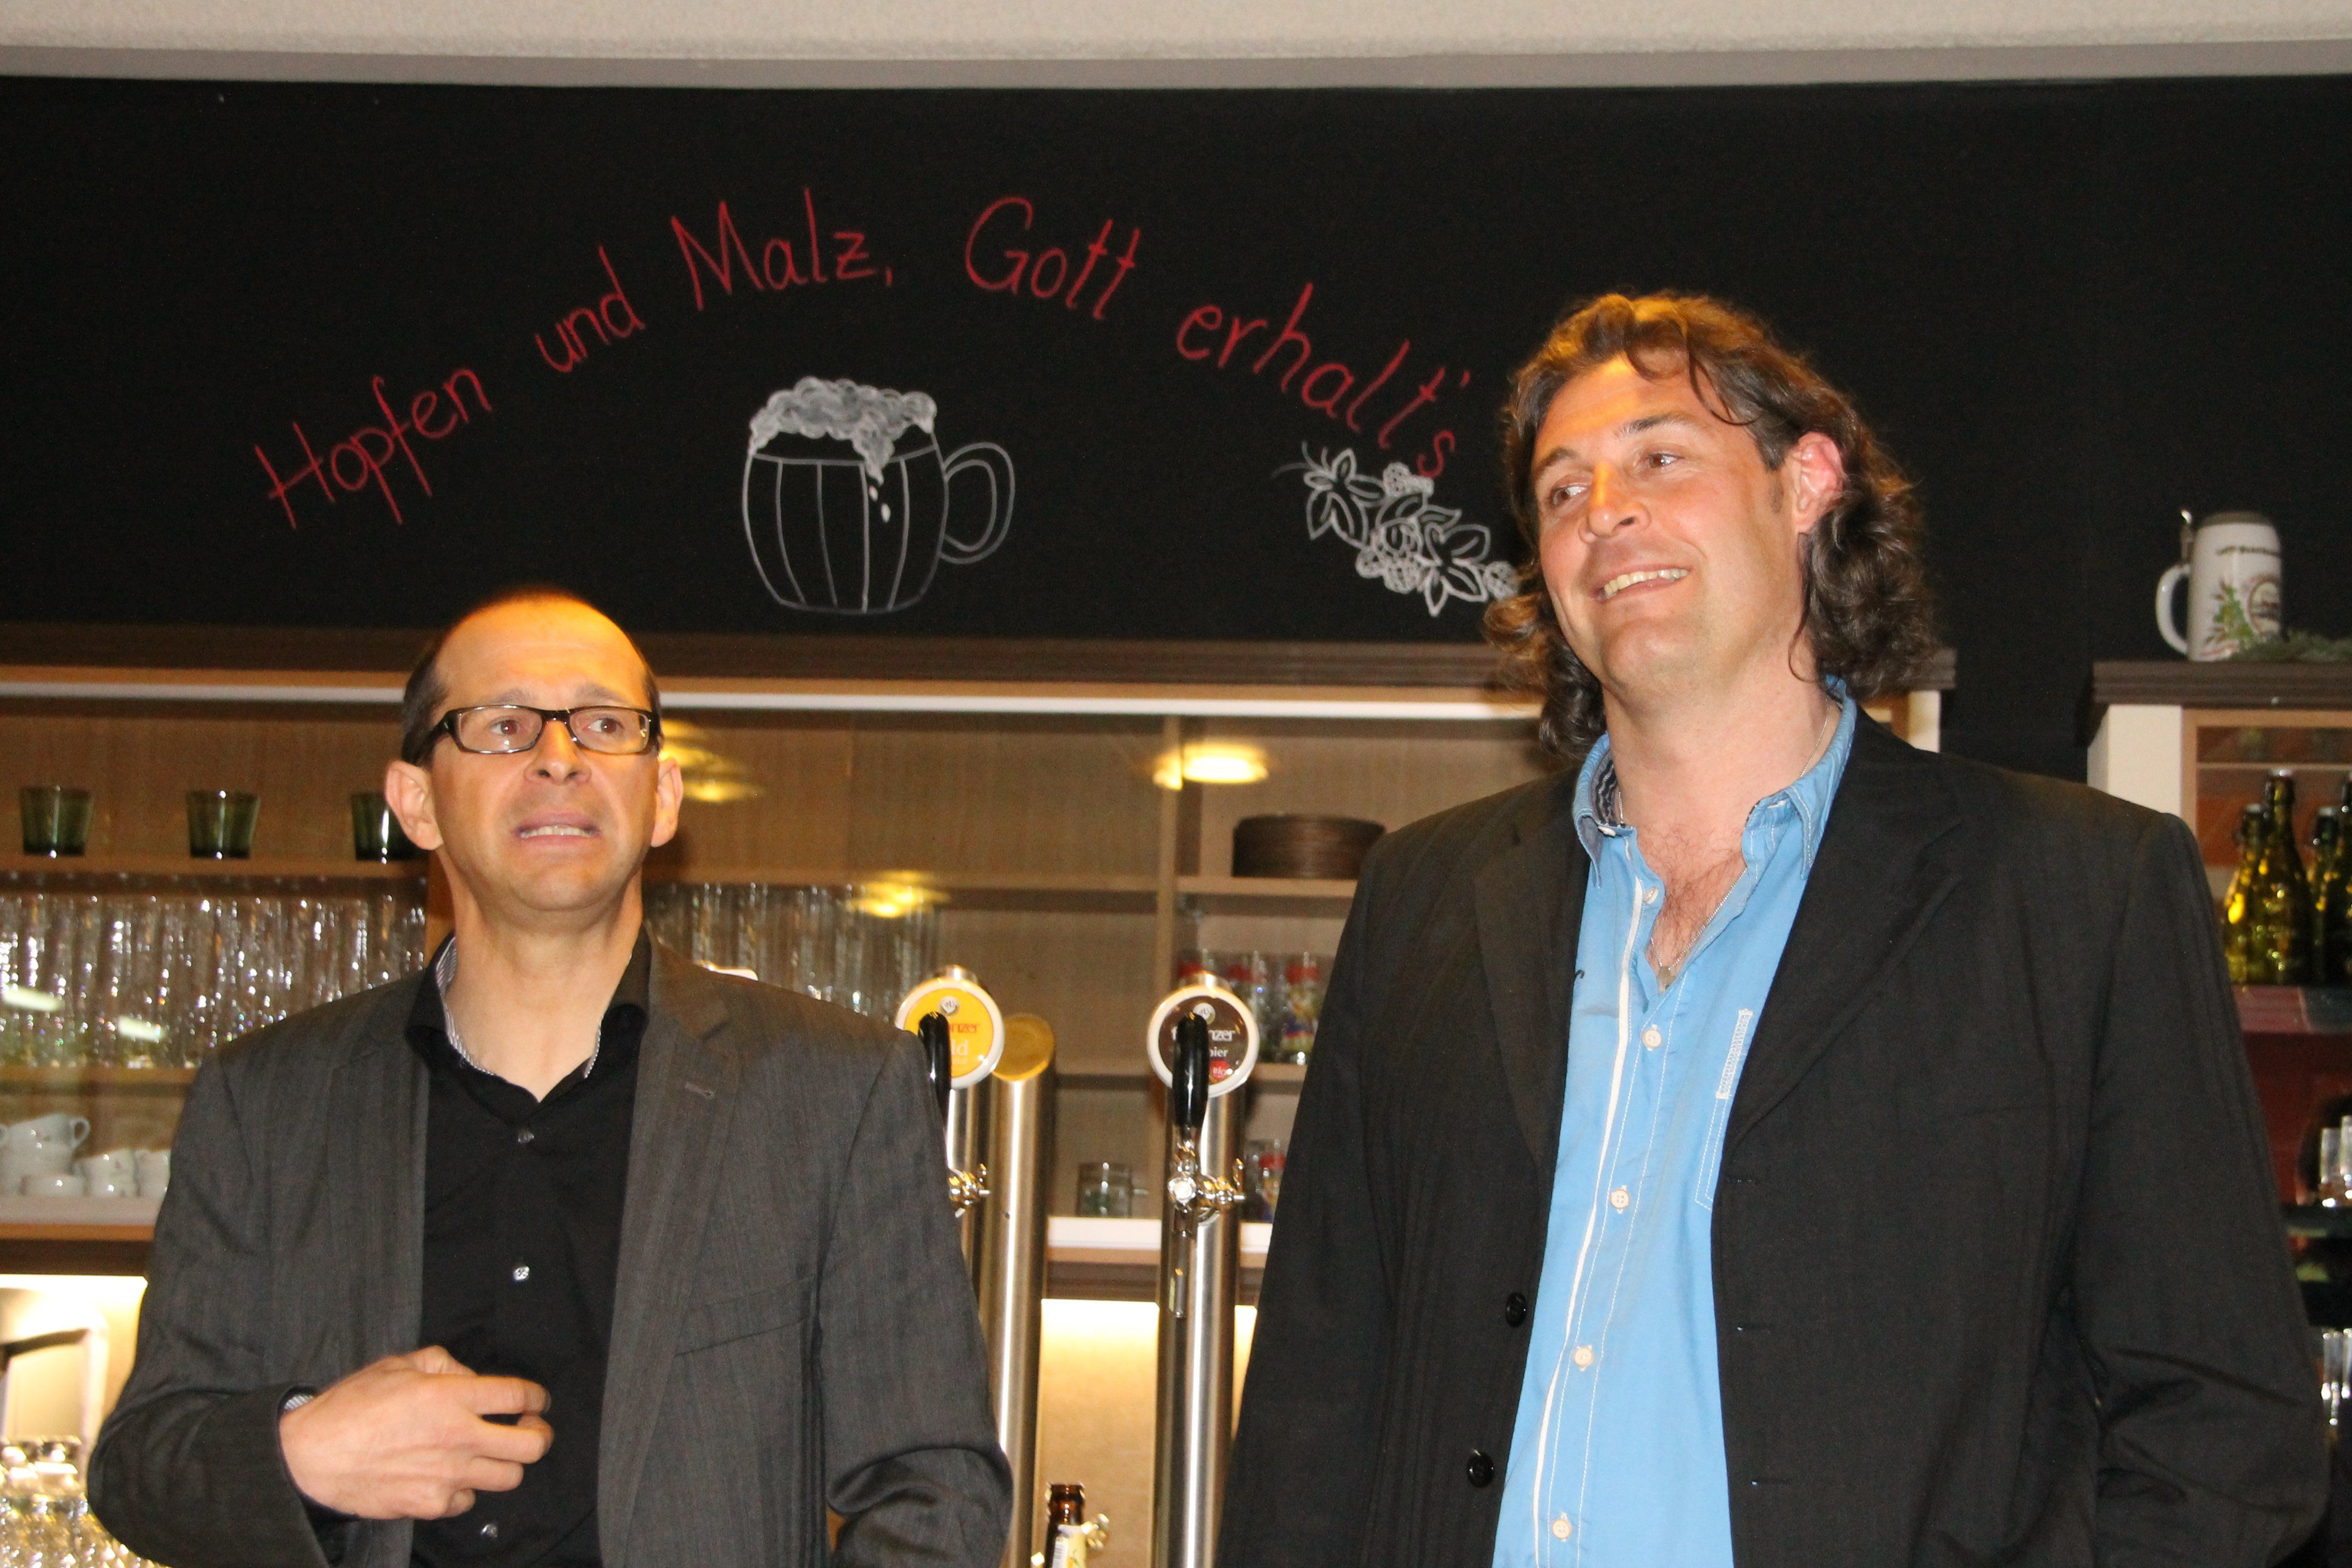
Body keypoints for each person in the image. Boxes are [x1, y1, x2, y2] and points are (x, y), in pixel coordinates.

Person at [1219, 293, 2326, 1567]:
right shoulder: (1422, 900)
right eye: (1563, 489)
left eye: (1659, 457)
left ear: (1806, 483)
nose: (1603, 511)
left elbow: (2226, 1427)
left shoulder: (2081, 891)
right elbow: (1312, 1408)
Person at [89, 589, 1010, 1568]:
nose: (560, 757)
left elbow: (936, 1490)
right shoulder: (266, 1100)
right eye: (503, 726)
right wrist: (303, 1453)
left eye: (606, 725)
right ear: (416, 803)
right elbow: (141, 1468)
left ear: (662, 798)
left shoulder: (834, 1092)